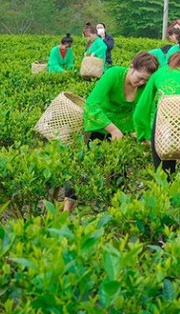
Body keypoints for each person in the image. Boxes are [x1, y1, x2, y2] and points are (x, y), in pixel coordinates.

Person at [68, 51, 159, 211]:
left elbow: (149, 111)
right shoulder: (114, 74)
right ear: (131, 67)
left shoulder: (145, 86)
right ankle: (66, 210)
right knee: (84, 170)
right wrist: (112, 129)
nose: (141, 83)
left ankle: (113, 212)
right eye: (140, 78)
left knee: (118, 174)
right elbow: (92, 104)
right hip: (101, 125)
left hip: (125, 131)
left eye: (146, 80)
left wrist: (144, 132)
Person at [133, 50, 180, 178]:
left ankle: (166, 193)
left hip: (165, 127)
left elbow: (142, 109)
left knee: (164, 172)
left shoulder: (159, 74)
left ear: (169, 63)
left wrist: (144, 135)